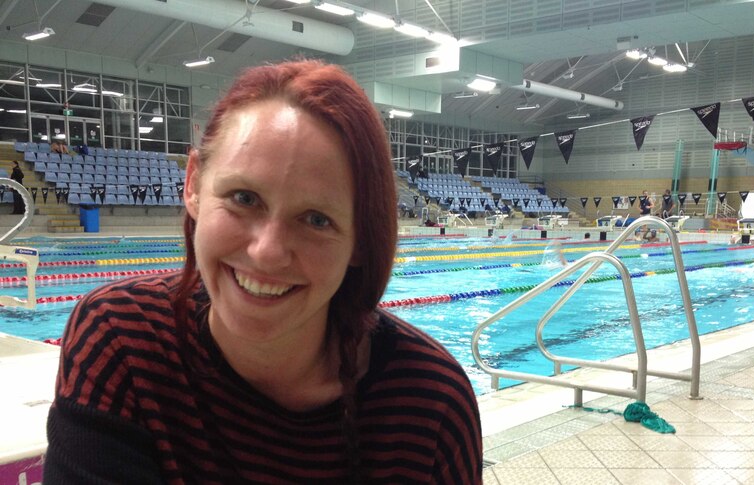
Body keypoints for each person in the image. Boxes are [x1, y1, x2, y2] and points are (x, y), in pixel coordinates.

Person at [44, 60, 483, 483]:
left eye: (316, 220)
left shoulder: (428, 404)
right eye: (244, 198)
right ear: (194, 184)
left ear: (361, 241)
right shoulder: (123, 341)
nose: (268, 252)